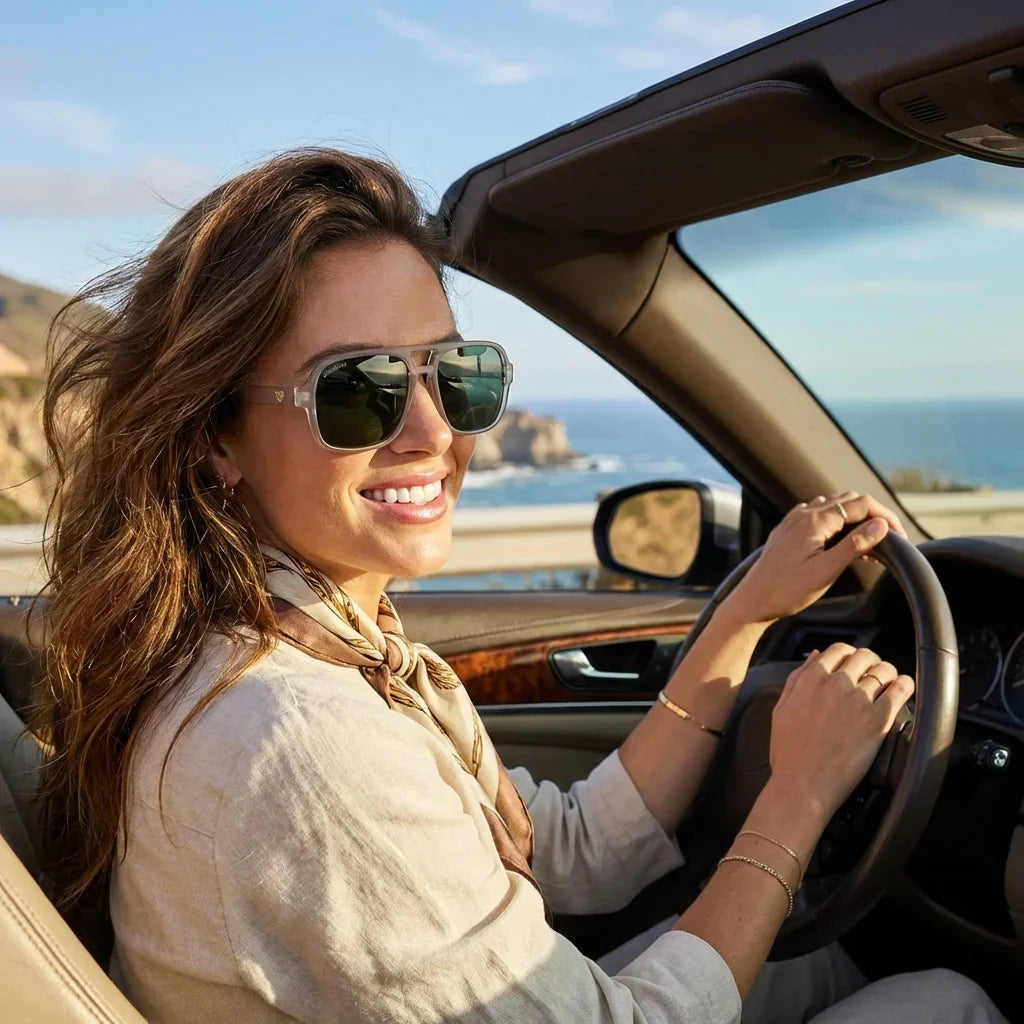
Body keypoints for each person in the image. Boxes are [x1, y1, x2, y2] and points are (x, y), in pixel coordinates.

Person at [33, 148, 1005, 1024]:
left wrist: (745, 612)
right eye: (357, 386)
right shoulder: (295, 737)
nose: (432, 430)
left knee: (810, 957)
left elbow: (567, 848)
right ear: (216, 436)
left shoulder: (311, 642)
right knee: (948, 998)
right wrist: (798, 796)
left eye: (453, 373)